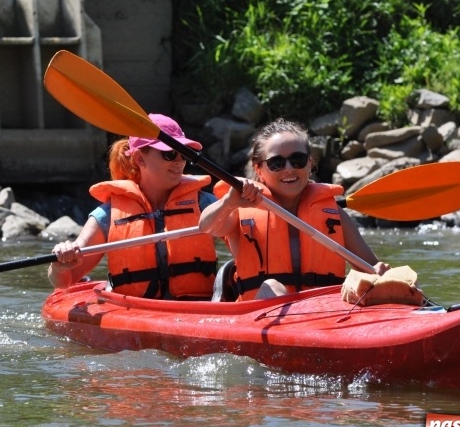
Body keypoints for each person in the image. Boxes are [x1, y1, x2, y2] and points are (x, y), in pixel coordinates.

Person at [199, 118, 389, 300]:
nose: (288, 169)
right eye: (277, 163)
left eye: (297, 160)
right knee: (272, 286)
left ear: (309, 163)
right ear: (258, 169)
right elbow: (206, 227)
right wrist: (228, 203)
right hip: (261, 317)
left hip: (326, 314)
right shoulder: (239, 209)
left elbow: (370, 268)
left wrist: (382, 274)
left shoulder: (333, 214)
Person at [48, 114, 219, 300]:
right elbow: (64, 282)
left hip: (198, 307)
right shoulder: (108, 215)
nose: (179, 162)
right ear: (140, 159)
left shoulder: (206, 205)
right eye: (169, 154)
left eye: (184, 154)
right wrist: (60, 265)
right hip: (137, 310)